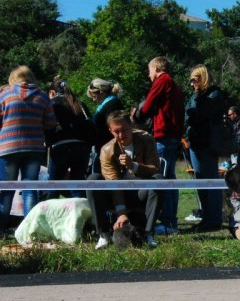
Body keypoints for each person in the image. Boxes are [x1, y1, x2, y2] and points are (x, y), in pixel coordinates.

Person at [86, 110, 161, 249]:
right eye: (116, 131)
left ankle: (148, 233)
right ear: (110, 130)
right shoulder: (106, 150)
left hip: (141, 192)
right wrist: (121, 213)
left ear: (131, 125)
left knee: (158, 179)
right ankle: (103, 235)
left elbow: (155, 169)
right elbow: (113, 183)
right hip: (116, 195)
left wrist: (134, 166)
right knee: (93, 179)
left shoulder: (147, 140)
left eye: (124, 130)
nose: (121, 135)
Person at [0, 66, 57, 236]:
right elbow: (51, 123)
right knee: (29, 188)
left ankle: (1, 230)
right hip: (34, 148)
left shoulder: (5, 94)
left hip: (8, 148)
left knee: (6, 190)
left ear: (13, 78)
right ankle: (28, 232)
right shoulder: (42, 96)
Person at [136, 57, 184, 234]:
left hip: (164, 136)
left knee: (161, 177)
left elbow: (147, 107)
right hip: (173, 135)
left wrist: (138, 113)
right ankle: (170, 222)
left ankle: (168, 223)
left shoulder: (162, 81)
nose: (149, 75)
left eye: (149, 71)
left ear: (156, 68)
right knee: (169, 177)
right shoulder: (173, 83)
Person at [185, 65, 226, 232]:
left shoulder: (215, 94)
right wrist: (193, 113)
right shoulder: (195, 95)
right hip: (195, 142)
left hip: (209, 143)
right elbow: (188, 113)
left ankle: (214, 220)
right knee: (200, 180)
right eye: (191, 80)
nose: (192, 83)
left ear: (203, 78)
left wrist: (193, 114)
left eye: (195, 79)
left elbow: (199, 114)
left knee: (211, 181)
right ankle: (205, 217)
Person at [45, 77, 94, 198]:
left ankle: (51, 214)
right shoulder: (78, 103)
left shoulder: (51, 104)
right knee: (77, 184)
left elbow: (47, 125)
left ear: (52, 92)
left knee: (53, 185)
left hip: (60, 146)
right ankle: (80, 214)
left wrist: (47, 141)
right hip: (82, 147)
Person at [86, 78, 124, 162]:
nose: (94, 100)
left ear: (102, 93)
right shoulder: (110, 104)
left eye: (94, 96)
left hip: (108, 149)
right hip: (105, 147)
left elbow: (111, 128)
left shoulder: (112, 105)